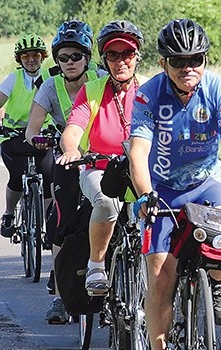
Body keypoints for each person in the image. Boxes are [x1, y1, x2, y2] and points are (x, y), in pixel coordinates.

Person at [128, 18, 221, 350]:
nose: (189, 68)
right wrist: (145, 194)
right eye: (179, 60)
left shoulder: (218, 89)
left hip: (205, 184)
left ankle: (216, 286)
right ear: (164, 62)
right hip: (164, 190)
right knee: (161, 276)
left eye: (197, 59)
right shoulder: (148, 95)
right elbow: (138, 151)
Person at [57, 20, 145, 297]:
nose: (121, 61)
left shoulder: (150, 92)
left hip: (140, 169)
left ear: (137, 58)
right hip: (100, 169)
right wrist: (72, 149)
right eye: (113, 55)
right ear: (104, 59)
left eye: (127, 54)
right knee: (107, 202)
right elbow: (73, 130)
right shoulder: (92, 90)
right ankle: (96, 265)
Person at [24, 21, 104, 323]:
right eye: (63, 57)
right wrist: (40, 140)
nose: (69, 63)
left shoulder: (102, 80)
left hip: (100, 161)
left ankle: (117, 283)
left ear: (87, 58)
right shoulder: (50, 85)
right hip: (67, 162)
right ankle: (59, 296)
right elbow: (32, 130)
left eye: (75, 56)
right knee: (60, 223)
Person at [0, 34, 54, 238]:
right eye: (25, 57)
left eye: (35, 55)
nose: (31, 60)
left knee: (49, 177)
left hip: (42, 136)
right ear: (19, 59)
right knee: (17, 176)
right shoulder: (14, 78)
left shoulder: (50, 78)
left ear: (43, 57)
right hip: (14, 137)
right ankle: (9, 213)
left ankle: (49, 220)